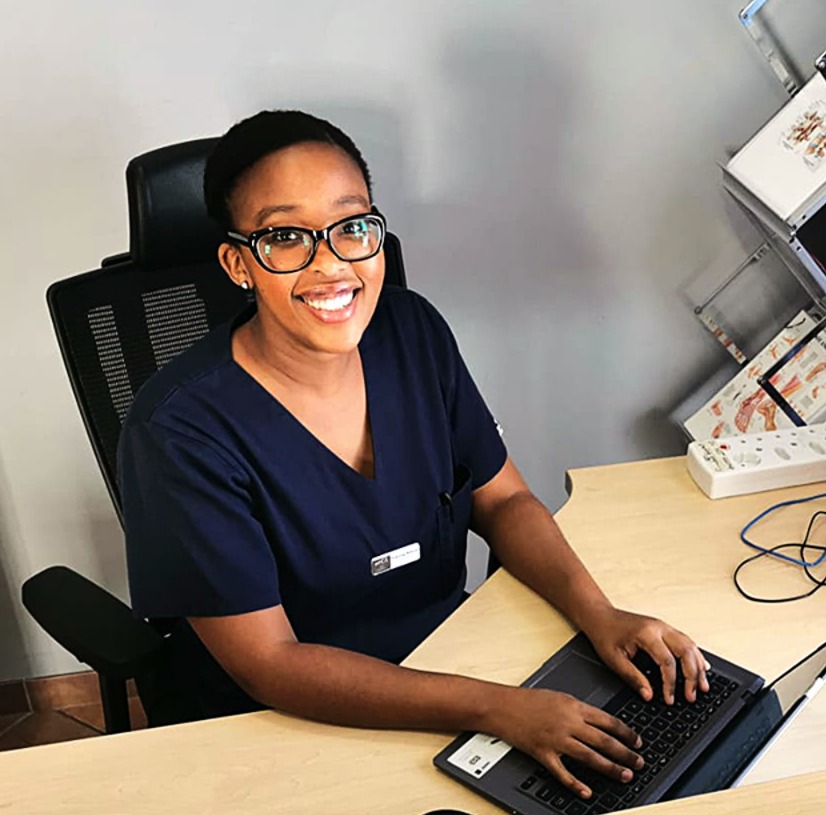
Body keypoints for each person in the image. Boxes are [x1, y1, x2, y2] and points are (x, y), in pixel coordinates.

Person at [118, 110, 709, 800]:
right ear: (238, 262)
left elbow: (505, 498)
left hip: (452, 664)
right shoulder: (181, 429)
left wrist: (599, 613)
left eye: (352, 226)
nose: (331, 262)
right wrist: (495, 707)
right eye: (285, 236)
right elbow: (270, 665)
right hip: (280, 732)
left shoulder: (412, 330)